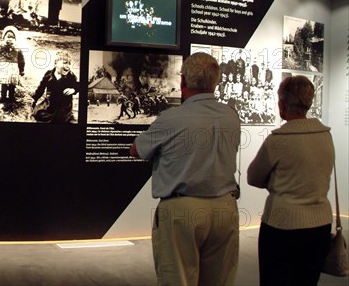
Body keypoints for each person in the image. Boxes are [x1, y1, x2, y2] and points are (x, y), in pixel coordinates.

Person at [130, 52, 240, 286]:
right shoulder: (232, 116)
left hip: (182, 210)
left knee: (177, 279)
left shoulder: (171, 118)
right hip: (225, 206)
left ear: (183, 82)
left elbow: (137, 150)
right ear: (215, 82)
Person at [247, 75, 334, 286]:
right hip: (320, 225)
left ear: (282, 103)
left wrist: (276, 183)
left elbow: (253, 177)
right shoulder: (325, 135)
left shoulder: (279, 140)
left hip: (282, 225)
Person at [31, 50, 78, 123]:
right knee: (39, 114)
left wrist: (73, 90)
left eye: (69, 64)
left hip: (64, 106)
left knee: (61, 119)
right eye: (65, 63)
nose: (68, 66)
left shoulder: (71, 76)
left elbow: (78, 85)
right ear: (56, 63)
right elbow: (41, 88)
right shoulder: (48, 74)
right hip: (50, 104)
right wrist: (34, 98)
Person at [0, 26, 25, 102]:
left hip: (13, 68)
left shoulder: (18, 49)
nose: (10, 39)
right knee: (4, 83)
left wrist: (22, 70)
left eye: (12, 37)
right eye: (8, 36)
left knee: (12, 83)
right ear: (4, 37)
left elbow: (21, 60)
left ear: (15, 39)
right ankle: (3, 97)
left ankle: (11, 97)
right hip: (3, 67)